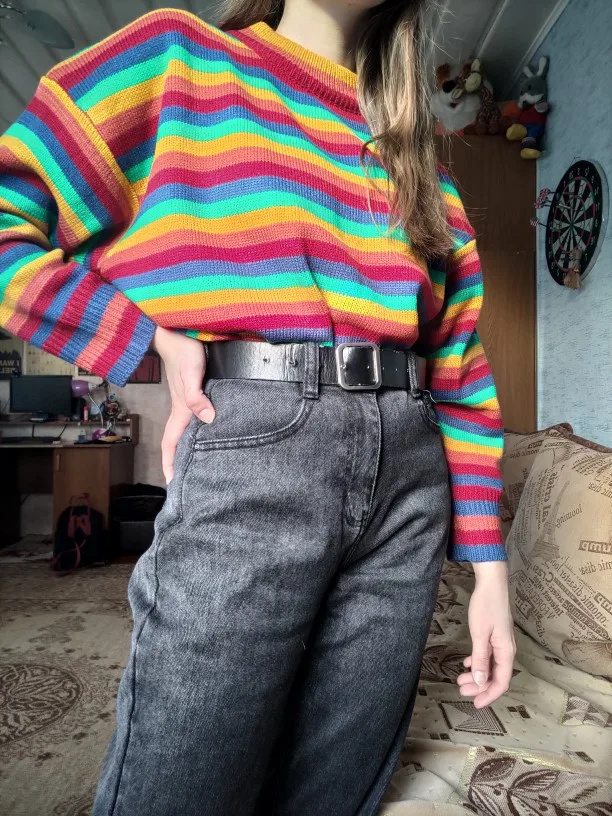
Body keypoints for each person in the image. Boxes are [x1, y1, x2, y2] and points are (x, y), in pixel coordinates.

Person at [0, 1, 516, 813]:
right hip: (255, 446)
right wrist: (144, 340)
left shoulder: (420, 161)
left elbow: (461, 370)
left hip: (410, 486)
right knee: (181, 789)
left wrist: (490, 571)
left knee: (334, 793)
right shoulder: (177, 57)